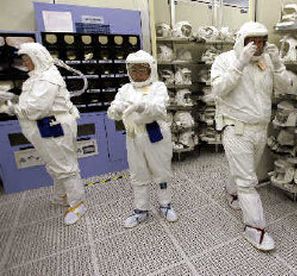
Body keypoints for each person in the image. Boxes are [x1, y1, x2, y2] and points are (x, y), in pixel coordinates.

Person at [211, 21, 295, 251]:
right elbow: (218, 90)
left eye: (262, 41)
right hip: (236, 128)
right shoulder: (226, 60)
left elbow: (287, 87)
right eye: (252, 41)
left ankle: (231, 191)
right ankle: (255, 228)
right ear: (241, 41)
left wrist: (278, 65)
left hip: (260, 129)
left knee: (245, 171)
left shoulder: (266, 61)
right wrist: (240, 62)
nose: (257, 46)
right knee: (248, 182)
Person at [0, 42, 87, 225]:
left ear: (37, 58)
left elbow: (37, 108)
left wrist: (12, 108)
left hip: (54, 126)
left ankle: (77, 203)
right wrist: (13, 98)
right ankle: (62, 195)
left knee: (66, 167)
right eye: (23, 59)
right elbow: (30, 101)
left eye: (27, 59)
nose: (25, 63)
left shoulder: (47, 78)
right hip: (46, 127)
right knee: (54, 164)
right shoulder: (36, 77)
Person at [107, 50, 177, 228]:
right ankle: (141, 210)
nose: (137, 74)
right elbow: (114, 110)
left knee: (161, 170)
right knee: (138, 173)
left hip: (155, 133)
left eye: (141, 70)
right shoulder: (125, 89)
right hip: (133, 135)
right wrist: (115, 110)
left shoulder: (158, 87)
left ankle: (165, 204)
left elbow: (159, 109)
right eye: (133, 70)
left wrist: (141, 106)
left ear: (150, 70)